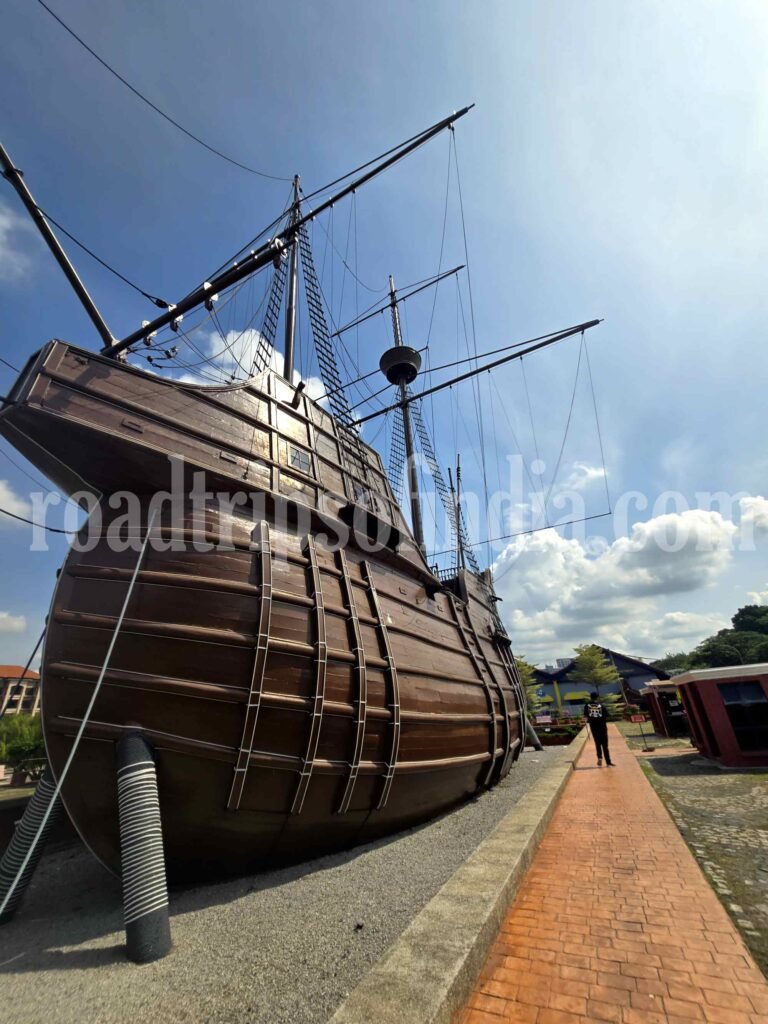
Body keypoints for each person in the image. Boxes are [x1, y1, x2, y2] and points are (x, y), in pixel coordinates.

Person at [584, 691, 614, 766]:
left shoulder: (587, 705)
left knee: (597, 743)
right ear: (597, 697)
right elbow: (607, 715)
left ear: (590, 697)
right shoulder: (601, 705)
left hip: (594, 727)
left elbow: (585, 716)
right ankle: (608, 762)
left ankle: (599, 758)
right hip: (602, 727)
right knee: (605, 745)